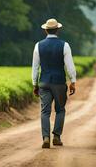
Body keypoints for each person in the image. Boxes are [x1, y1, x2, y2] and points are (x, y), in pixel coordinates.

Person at [32, 18, 76, 148]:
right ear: (58, 30)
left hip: (44, 82)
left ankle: (46, 138)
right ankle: (56, 136)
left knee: (45, 111)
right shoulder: (65, 45)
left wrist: (35, 84)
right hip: (59, 82)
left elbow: (35, 67)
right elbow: (70, 66)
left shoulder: (38, 45)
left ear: (45, 30)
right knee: (60, 110)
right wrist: (73, 81)